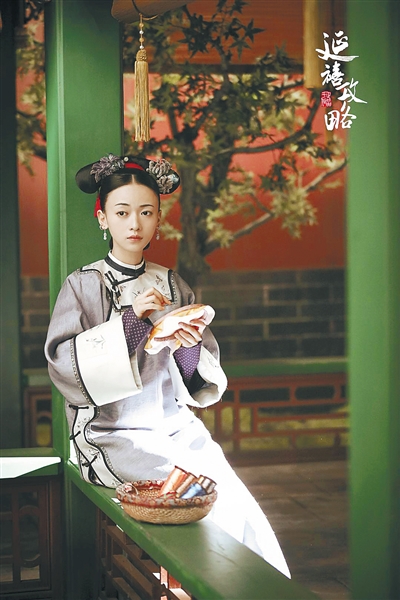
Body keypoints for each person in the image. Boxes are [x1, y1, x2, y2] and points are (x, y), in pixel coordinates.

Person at [45, 153, 290, 578]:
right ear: (102, 218)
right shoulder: (83, 285)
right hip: (113, 434)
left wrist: (187, 347)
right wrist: (132, 323)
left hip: (175, 428)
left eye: (146, 212)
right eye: (122, 212)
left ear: (158, 219)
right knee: (198, 500)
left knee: (239, 505)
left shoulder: (174, 285)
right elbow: (64, 366)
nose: (134, 224)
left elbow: (195, 380)